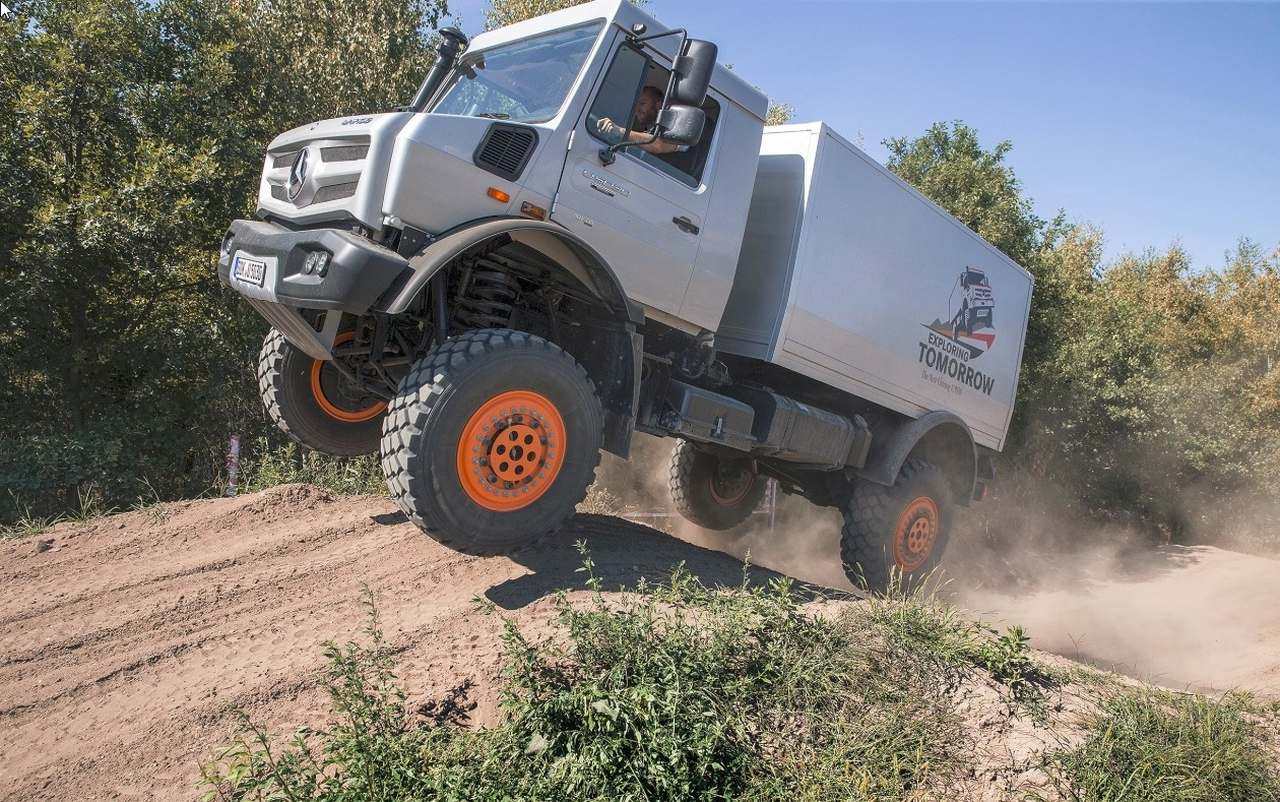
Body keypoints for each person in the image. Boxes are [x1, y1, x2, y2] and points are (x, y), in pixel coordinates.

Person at [595, 85, 681, 155]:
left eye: (642, 103)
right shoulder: (647, 131)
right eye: (635, 104)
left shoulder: (675, 128)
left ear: (658, 106)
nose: (637, 109)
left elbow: (659, 144)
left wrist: (619, 131)